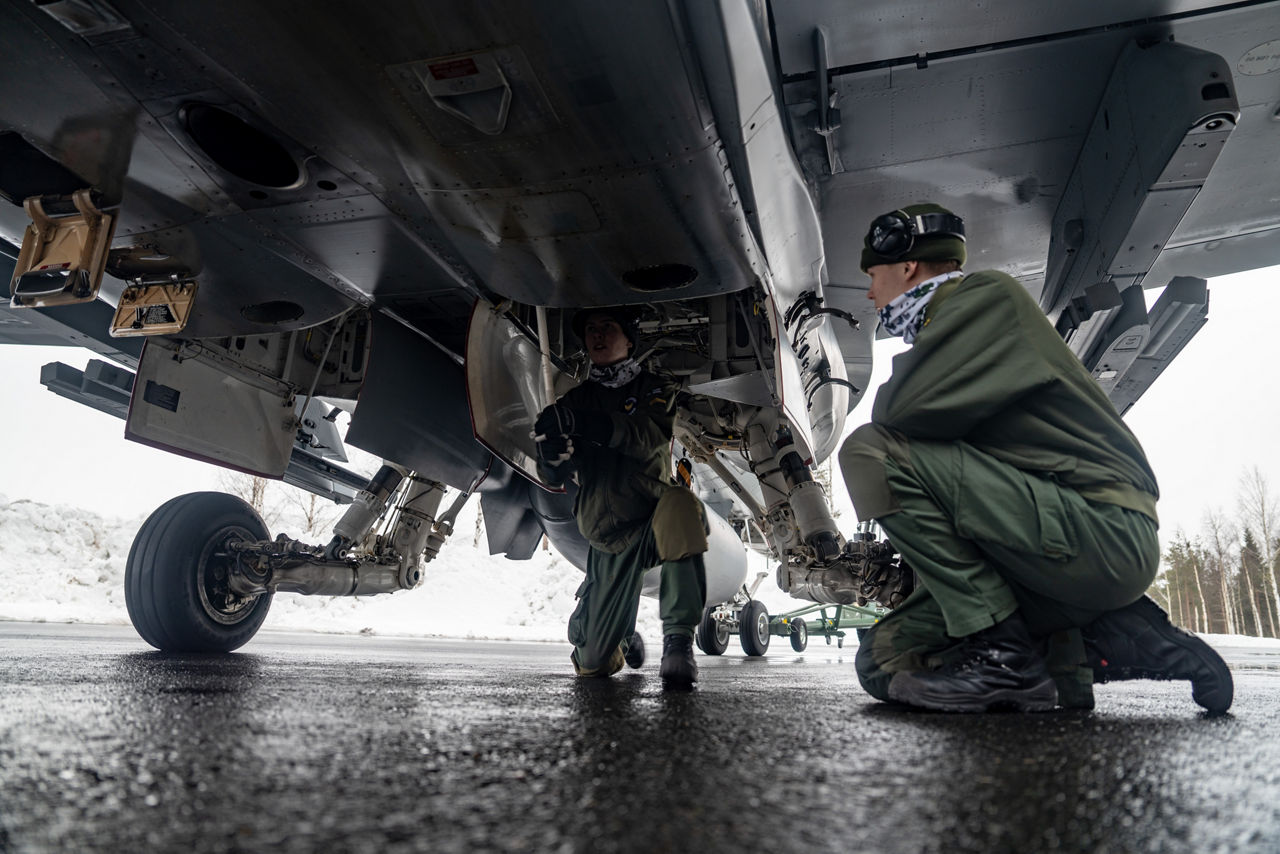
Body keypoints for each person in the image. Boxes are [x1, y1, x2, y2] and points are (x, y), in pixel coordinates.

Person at [838, 202, 1233, 713]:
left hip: (1101, 530)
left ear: (907, 266)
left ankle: (1005, 657)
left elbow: (897, 415)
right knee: (883, 659)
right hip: (1043, 548)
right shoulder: (954, 328)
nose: (871, 293)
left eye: (873, 275)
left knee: (869, 451)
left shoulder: (986, 298)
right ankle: (1105, 640)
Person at [534, 307, 709, 688]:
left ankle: (678, 643)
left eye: (607, 328)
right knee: (591, 665)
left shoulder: (655, 390)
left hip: (652, 519)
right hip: (606, 537)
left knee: (682, 503)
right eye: (591, 330)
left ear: (629, 339)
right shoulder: (574, 401)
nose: (597, 335)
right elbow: (556, 473)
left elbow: (648, 436)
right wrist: (552, 458)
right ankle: (622, 634)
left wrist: (584, 425)